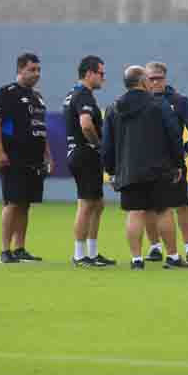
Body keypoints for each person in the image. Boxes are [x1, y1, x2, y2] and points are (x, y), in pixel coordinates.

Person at [102, 66, 184, 270]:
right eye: (148, 79)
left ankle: (136, 260)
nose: (151, 82)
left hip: (128, 170)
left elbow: (107, 144)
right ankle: (172, 257)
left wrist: (112, 171)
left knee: (134, 212)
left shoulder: (113, 108)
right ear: (141, 82)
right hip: (159, 169)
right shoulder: (159, 104)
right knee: (163, 211)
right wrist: (178, 163)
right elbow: (174, 135)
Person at [0, 53, 52, 263]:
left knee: (25, 204)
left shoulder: (38, 97)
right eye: (32, 70)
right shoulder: (6, 93)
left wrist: (48, 155)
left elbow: (40, 129)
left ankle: (20, 249)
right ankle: (5, 251)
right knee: (12, 202)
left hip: (34, 159)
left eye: (38, 70)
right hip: (13, 156)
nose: (36, 74)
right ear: (20, 70)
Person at [64, 55, 115, 267]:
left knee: (97, 204)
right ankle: (80, 255)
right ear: (89, 73)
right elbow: (86, 125)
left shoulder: (73, 94)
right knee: (86, 205)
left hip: (79, 153)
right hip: (85, 154)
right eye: (101, 73)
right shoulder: (83, 95)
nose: (104, 77)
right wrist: (98, 145)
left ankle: (92, 253)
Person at [144, 61, 188, 264]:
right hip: (147, 164)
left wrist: (186, 150)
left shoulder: (178, 100)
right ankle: (155, 247)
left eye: (159, 78)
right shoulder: (140, 101)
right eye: (151, 78)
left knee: (181, 204)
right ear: (145, 79)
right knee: (149, 207)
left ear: (165, 79)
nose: (155, 82)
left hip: (173, 163)